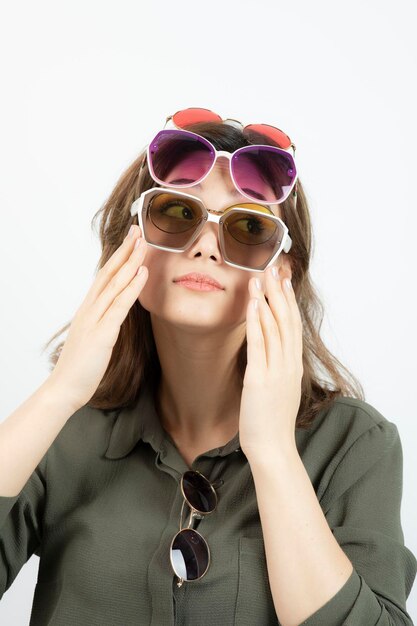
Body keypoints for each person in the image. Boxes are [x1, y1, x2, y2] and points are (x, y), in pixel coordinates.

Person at [0, 107, 415, 626]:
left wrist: (272, 453)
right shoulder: (64, 432)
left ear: (283, 272)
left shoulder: (354, 443)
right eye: (176, 213)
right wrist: (59, 394)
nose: (205, 246)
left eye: (247, 227)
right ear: (130, 242)